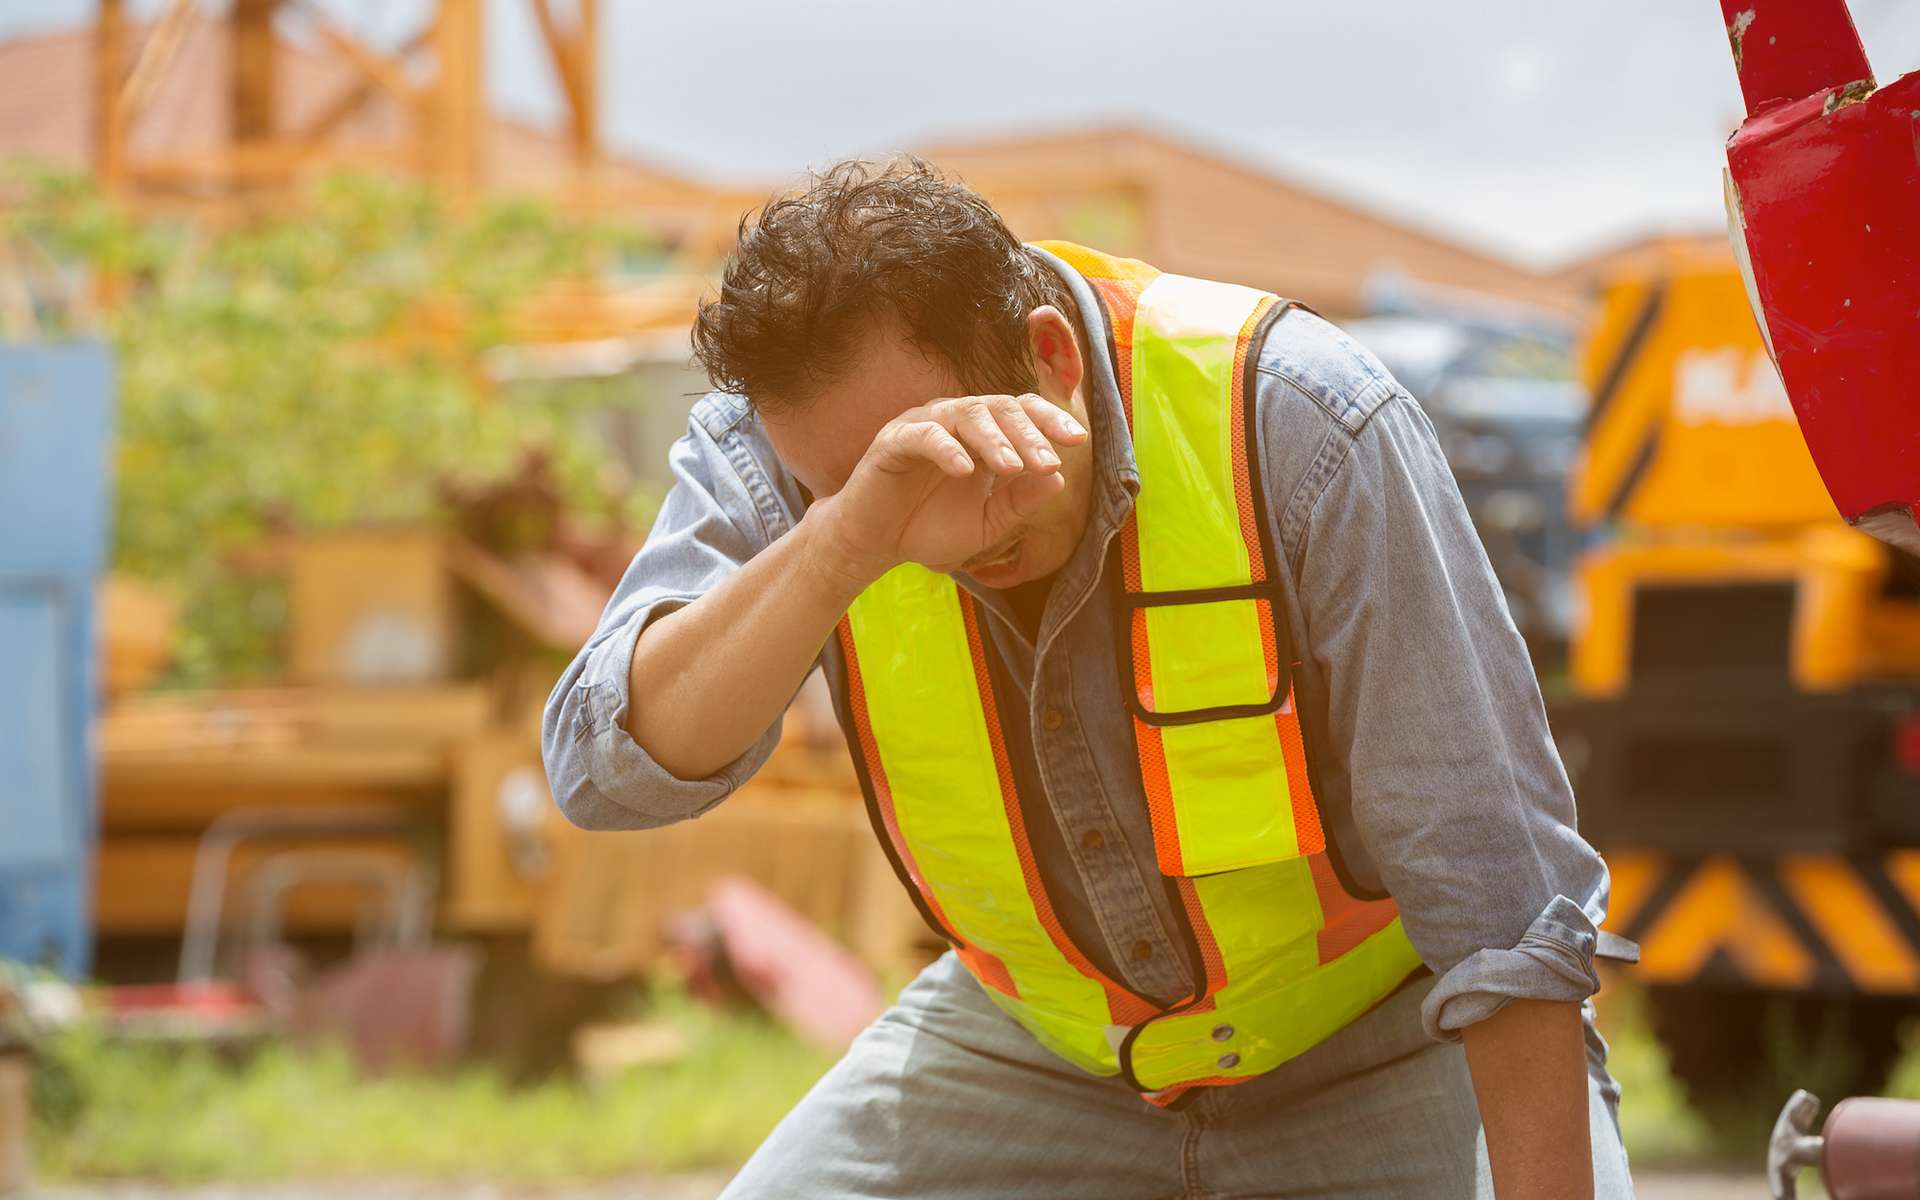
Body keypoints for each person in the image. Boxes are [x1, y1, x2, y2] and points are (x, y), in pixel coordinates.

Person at [543, 156, 1635, 1199]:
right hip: (1037, 1055)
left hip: (1387, 1053)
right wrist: (839, 535)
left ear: (1051, 357)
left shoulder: (1302, 421)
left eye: (946, 460)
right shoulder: (785, 462)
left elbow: (1504, 912)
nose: (938, 528)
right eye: (874, 488)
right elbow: (607, 775)